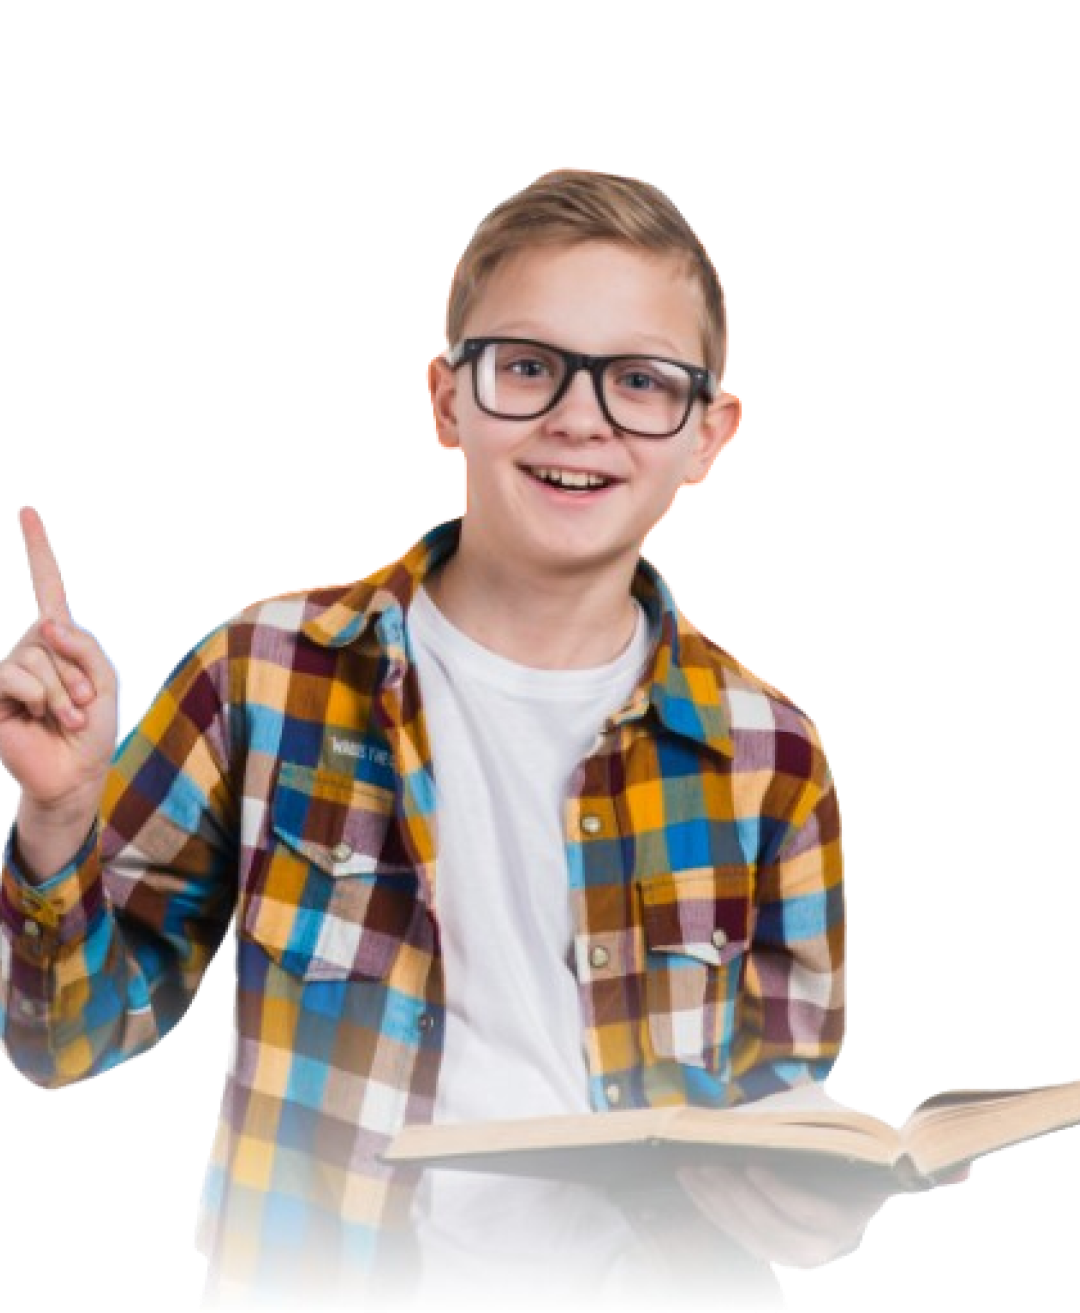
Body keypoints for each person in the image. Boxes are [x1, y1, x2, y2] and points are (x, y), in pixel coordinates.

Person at [1, 168, 898, 1312]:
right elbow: (60, 1040)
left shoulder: (770, 754)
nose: (582, 417)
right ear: (447, 398)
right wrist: (62, 812)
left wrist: (821, 1198)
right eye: (529, 366)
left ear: (706, 434)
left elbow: (782, 1106)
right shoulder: (263, 672)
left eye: (639, 381)